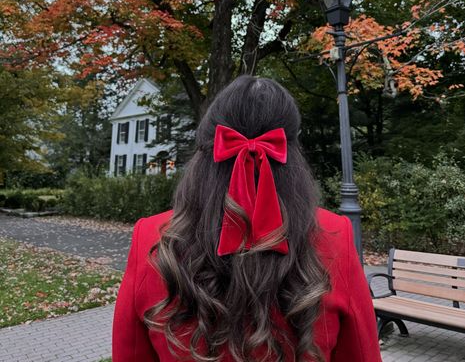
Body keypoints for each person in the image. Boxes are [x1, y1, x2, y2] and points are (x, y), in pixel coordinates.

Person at [112, 76, 382, 361]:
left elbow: (129, 352)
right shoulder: (335, 234)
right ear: (292, 153)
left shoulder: (152, 235)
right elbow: (362, 353)